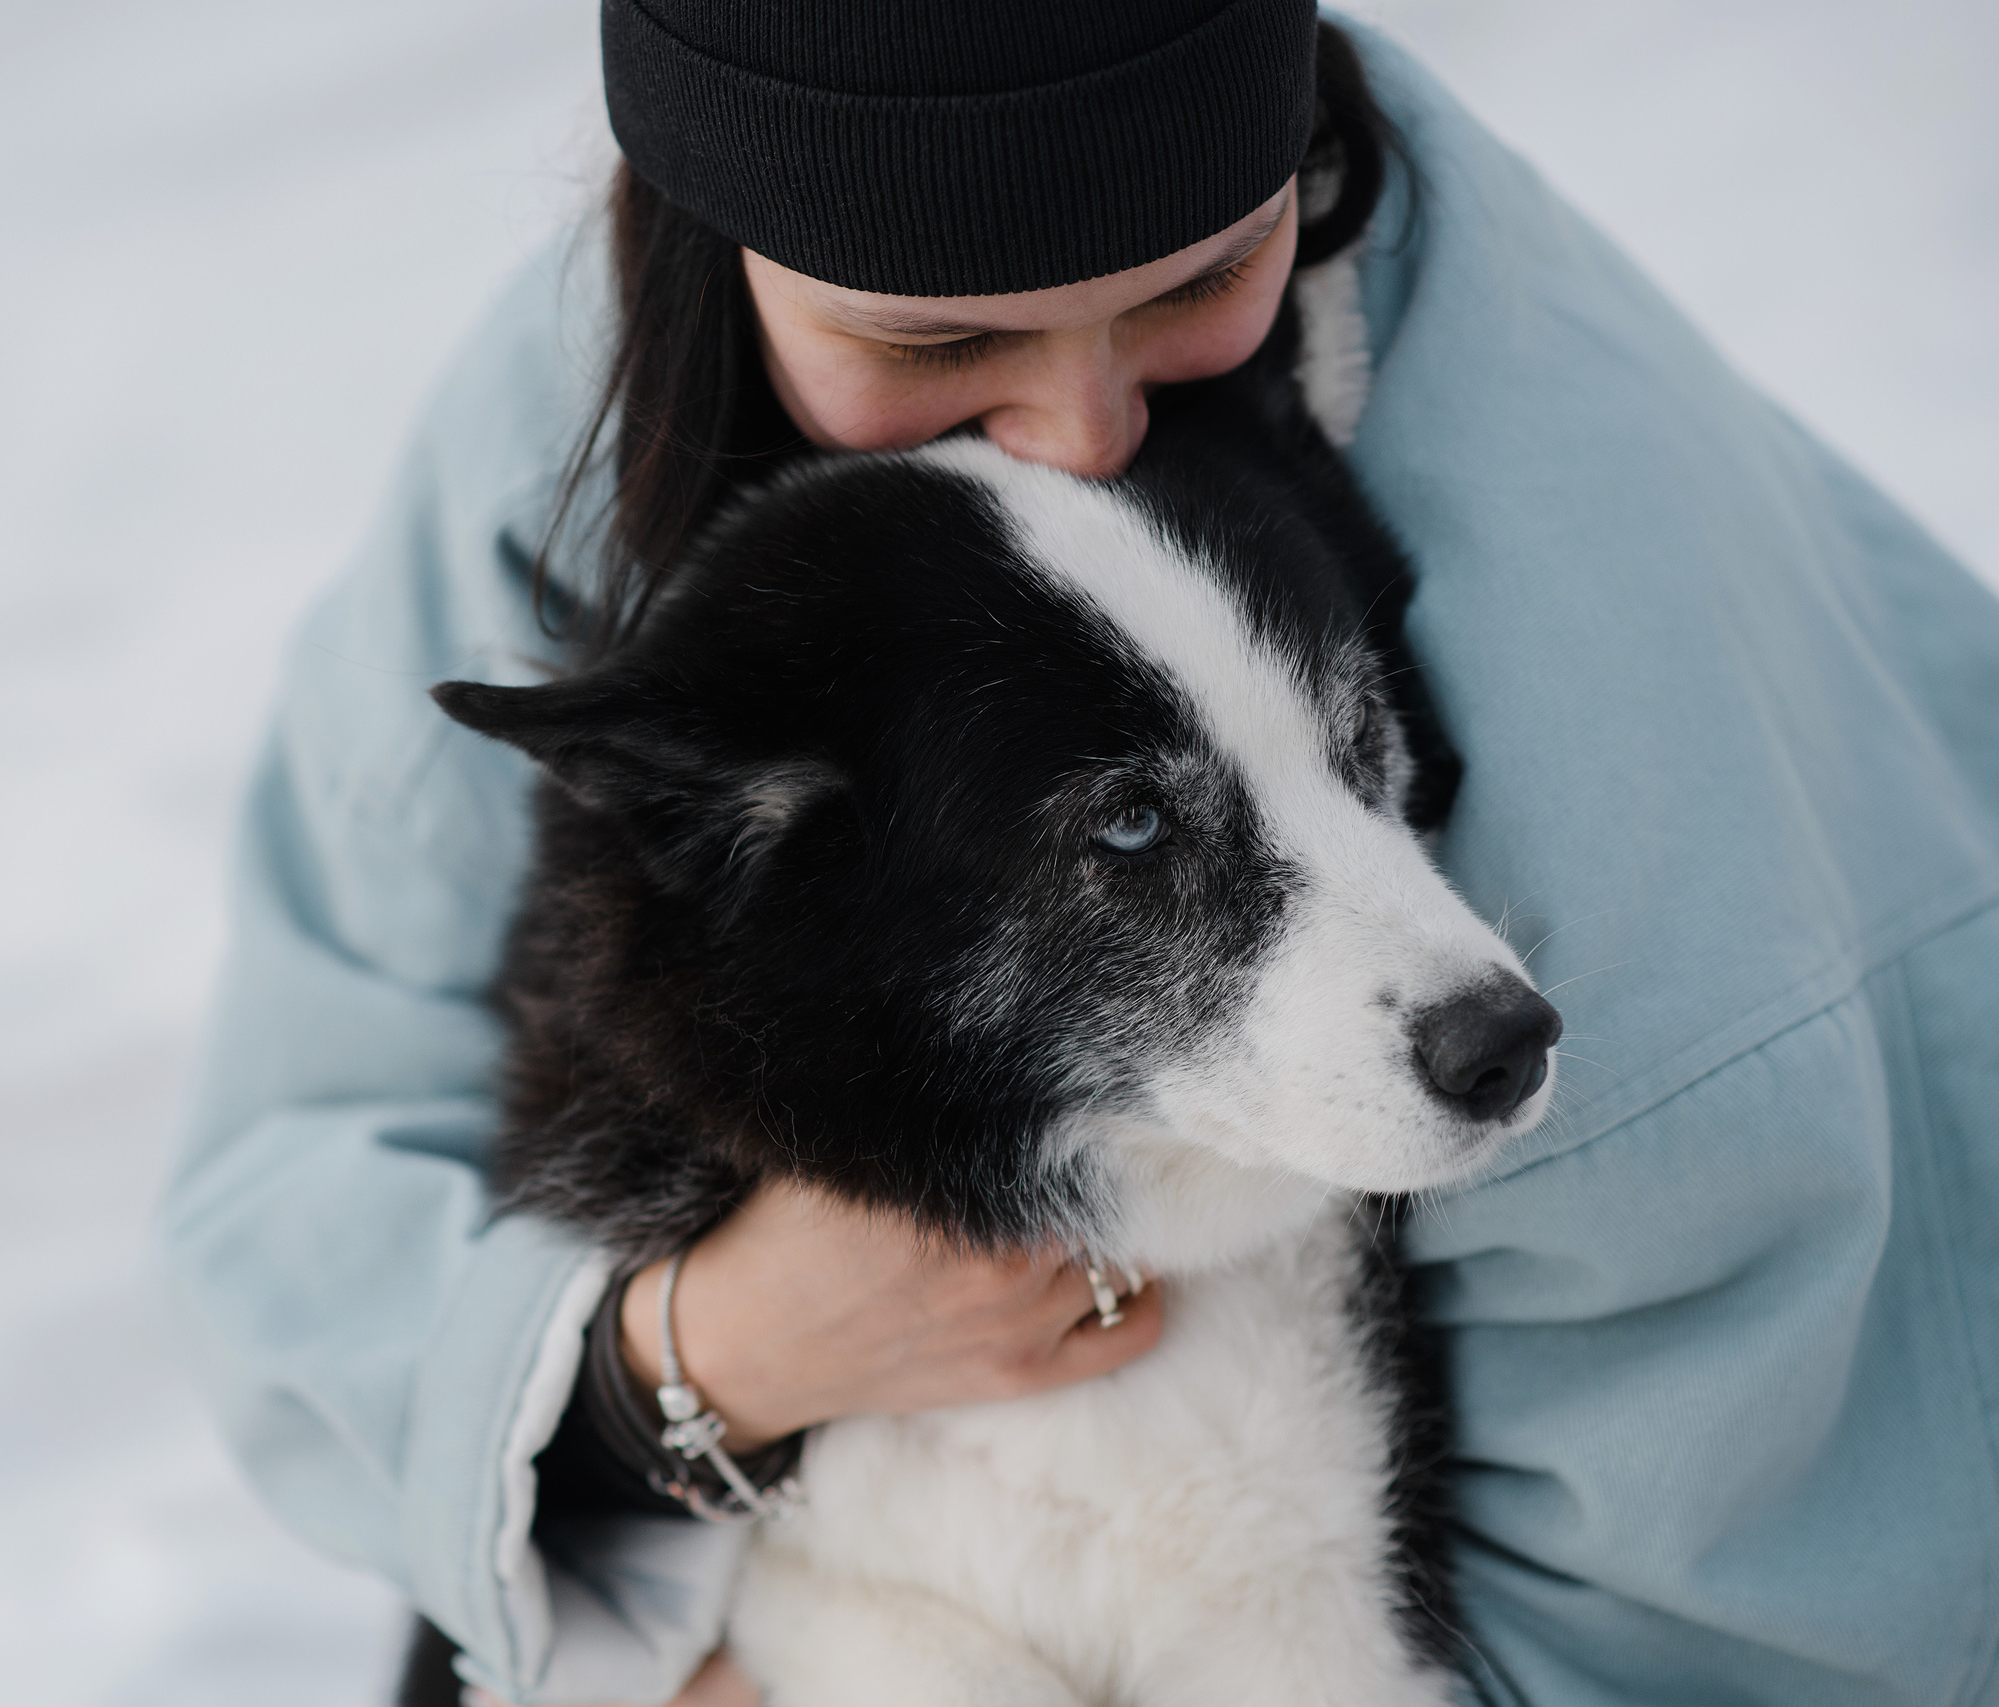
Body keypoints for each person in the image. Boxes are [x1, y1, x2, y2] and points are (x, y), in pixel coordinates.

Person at [160, 5, 1999, 1706]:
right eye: (937, 339)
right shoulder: (562, 425)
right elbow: (299, 1188)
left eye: (1201, 281)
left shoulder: (1625, 748)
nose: (1087, 431)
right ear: (720, 239)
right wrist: (698, 1364)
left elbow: (1757, 1612)